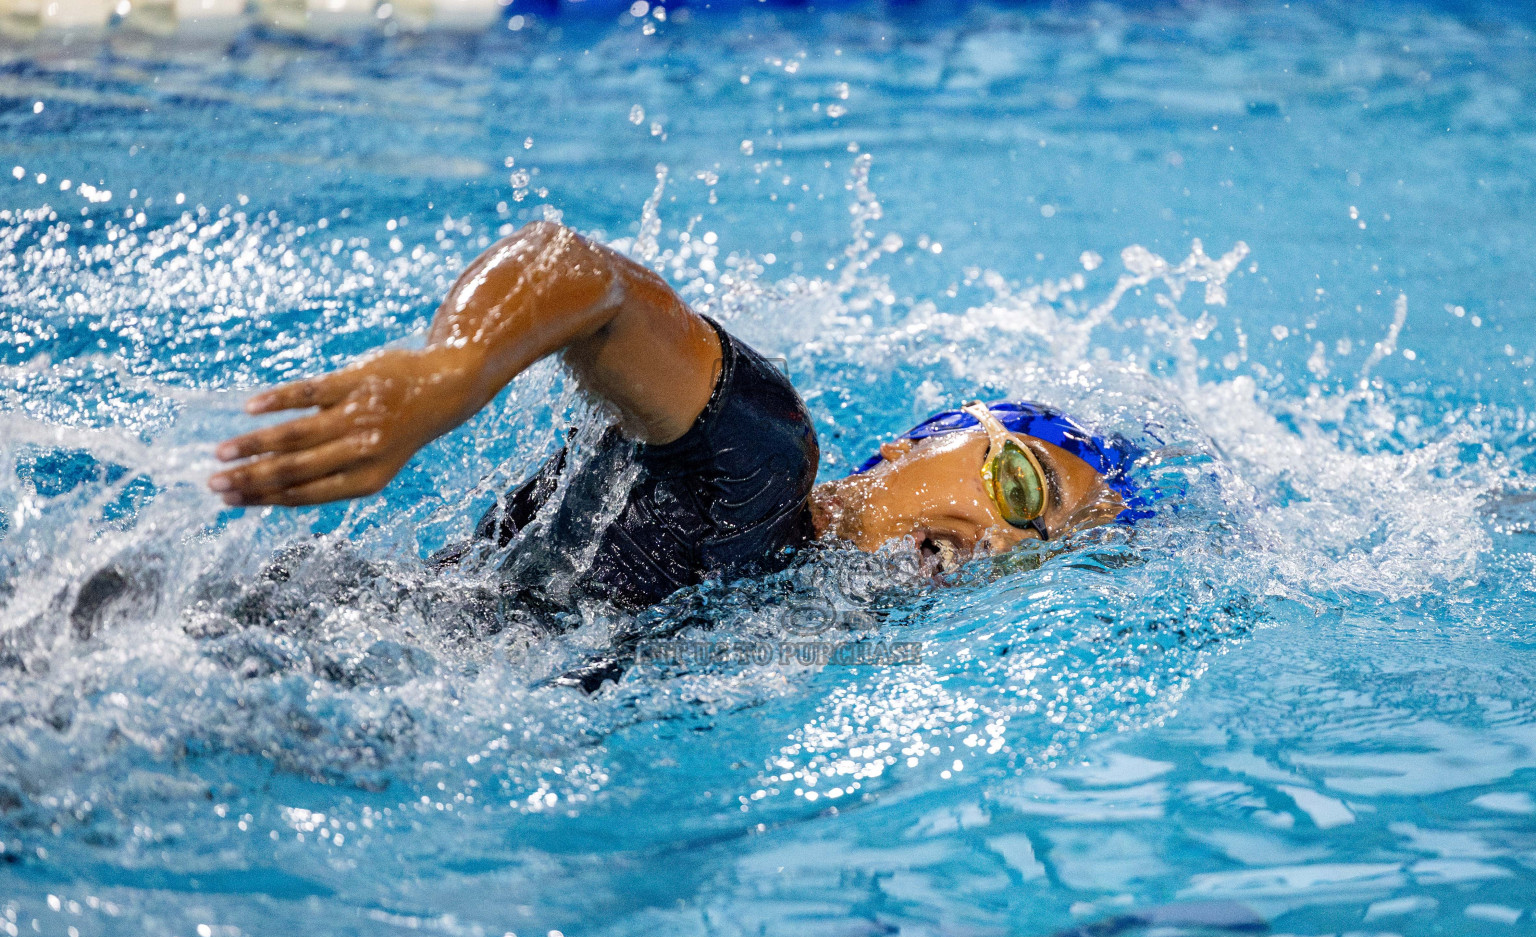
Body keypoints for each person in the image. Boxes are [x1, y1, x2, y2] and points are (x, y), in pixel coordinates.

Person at [208, 222, 1144, 616]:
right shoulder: (765, 461)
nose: (1004, 545)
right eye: (1020, 486)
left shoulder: (800, 631)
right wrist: (442, 377)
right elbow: (583, 275)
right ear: (907, 446)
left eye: (1042, 556)